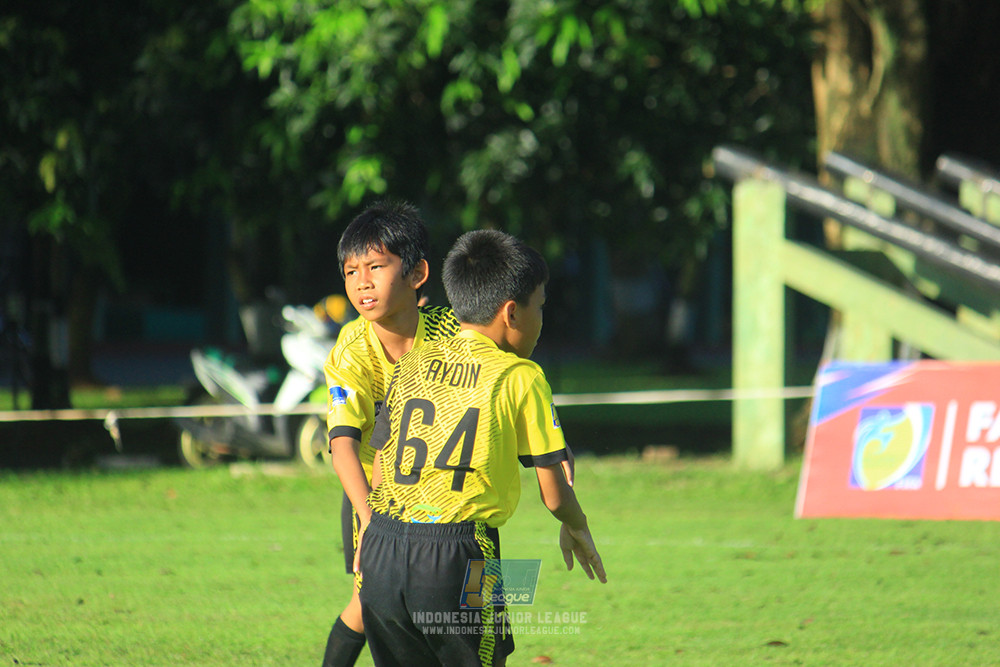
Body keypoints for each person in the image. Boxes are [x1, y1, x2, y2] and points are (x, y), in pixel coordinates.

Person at [357, 229, 606, 667]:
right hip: (458, 552)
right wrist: (577, 524)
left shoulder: (412, 363)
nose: (541, 320)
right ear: (512, 312)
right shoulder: (520, 375)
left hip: (381, 549)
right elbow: (553, 494)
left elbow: (382, 461)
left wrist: (371, 531)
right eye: (540, 306)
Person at [321, 200, 461, 667]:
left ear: (418, 273)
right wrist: (371, 523)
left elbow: (512, 375)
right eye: (350, 271)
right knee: (371, 606)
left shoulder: (452, 334)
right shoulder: (350, 350)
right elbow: (343, 446)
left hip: (449, 499)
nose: (361, 281)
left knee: (473, 619)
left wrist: (551, 441)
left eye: (376, 266)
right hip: (373, 497)